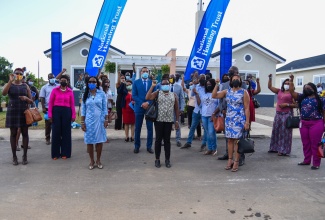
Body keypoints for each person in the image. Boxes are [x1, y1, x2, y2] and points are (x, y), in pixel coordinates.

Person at [212, 74, 250, 172]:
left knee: (237, 141)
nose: (236, 80)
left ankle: (236, 161)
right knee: (229, 140)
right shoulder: (226, 91)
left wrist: (247, 122)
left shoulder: (244, 92)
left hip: (239, 119)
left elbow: (247, 108)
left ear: (240, 81)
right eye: (234, 79)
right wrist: (216, 85)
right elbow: (214, 95)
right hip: (229, 119)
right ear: (231, 81)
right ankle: (230, 160)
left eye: (238, 79)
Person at [289, 74, 325, 170]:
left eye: (308, 88)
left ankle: (316, 163)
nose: (306, 89)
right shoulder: (301, 97)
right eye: (305, 88)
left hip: (316, 123)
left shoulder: (320, 99)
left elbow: (324, 112)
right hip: (304, 122)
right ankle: (306, 160)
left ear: (313, 89)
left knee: (315, 143)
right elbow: (292, 92)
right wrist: (291, 80)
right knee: (305, 143)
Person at [2, 68, 34, 165]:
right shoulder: (10, 84)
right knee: (13, 133)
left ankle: (24, 156)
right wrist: (9, 81)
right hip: (13, 111)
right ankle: (14, 157)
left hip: (23, 112)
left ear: (22, 75)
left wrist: (26, 98)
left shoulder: (25, 86)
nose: (18, 75)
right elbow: (3, 93)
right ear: (14, 74)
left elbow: (31, 100)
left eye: (20, 74)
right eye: (17, 73)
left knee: (25, 133)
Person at [146, 79, 179, 168]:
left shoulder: (174, 95)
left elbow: (176, 109)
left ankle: (167, 159)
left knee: (167, 141)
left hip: (169, 121)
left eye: (167, 84)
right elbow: (148, 97)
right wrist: (152, 86)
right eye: (163, 84)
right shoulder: (158, 93)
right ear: (161, 85)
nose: (165, 85)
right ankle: (157, 159)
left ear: (169, 85)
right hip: (159, 120)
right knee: (158, 140)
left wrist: (176, 121)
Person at [81, 77, 108, 170]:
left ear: (97, 83)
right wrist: (82, 122)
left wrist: (106, 120)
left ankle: (98, 160)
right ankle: (91, 160)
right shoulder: (85, 94)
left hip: (99, 120)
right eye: (90, 82)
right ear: (87, 83)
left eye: (94, 81)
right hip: (88, 121)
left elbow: (105, 108)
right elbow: (83, 110)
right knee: (89, 141)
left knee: (99, 141)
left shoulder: (101, 94)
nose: (92, 83)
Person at [48, 75, 76, 160]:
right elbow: (50, 103)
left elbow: (72, 104)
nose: (63, 81)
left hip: (67, 112)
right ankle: (55, 154)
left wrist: (73, 115)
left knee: (66, 133)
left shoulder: (70, 91)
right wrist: (50, 115)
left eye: (65, 80)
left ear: (67, 82)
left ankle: (65, 153)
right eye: (62, 80)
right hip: (56, 111)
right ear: (59, 81)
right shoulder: (54, 90)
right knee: (56, 133)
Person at [267, 75, 295, 156]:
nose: (287, 85)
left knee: (285, 132)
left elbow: (296, 105)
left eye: (288, 83)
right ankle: (274, 148)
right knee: (276, 130)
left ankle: (283, 149)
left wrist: (287, 104)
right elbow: (270, 87)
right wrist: (270, 78)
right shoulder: (279, 91)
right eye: (285, 83)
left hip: (287, 114)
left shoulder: (292, 93)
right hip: (278, 113)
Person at [181, 74, 207, 151]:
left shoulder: (207, 87)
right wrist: (194, 86)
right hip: (196, 110)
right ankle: (188, 142)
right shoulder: (196, 86)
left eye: (203, 78)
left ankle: (203, 144)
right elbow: (192, 94)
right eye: (201, 78)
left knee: (205, 128)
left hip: (205, 111)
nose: (202, 79)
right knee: (192, 126)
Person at [132, 66, 155, 154]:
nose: (145, 72)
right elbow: (134, 95)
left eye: (146, 71)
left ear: (148, 73)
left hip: (149, 108)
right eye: (143, 71)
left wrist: (148, 103)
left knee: (150, 128)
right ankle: (136, 146)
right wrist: (142, 103)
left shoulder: (152, 83)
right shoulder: (136, 82)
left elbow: (154, 95)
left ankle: (149, 146)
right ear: (141, 72)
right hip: (139, 107)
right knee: (138, 128)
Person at [39, 70, 65, 145]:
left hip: (56, 107)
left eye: (53, 77)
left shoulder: (58, 86)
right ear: (48, 79)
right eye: (51, 78)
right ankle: (47, 138)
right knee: (48, 124)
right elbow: (42, 98)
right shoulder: (44, 87)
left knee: (57, 123)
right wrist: (43, 107)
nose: (52, 79)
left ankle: (56, 138)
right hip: (47, 108)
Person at [195, 79, 219, 155]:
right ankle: (210, 148)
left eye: (210, 84)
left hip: (212, 116)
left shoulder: (217, 94)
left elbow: (219, 106)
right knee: (207, 133)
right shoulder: (203, 94)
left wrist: (214, 114)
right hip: (204, 115)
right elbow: (200, 104)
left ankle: (214, 148)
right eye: (207, 84)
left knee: (212, 132)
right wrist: (196, 94)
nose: (208, 85)